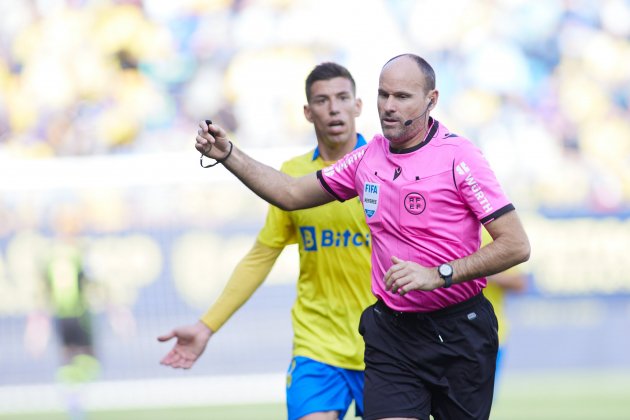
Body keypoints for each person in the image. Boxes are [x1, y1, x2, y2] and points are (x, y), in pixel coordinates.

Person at [193, 53, 531, 420]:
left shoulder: (460, 157)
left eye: (402, 97)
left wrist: (438, 274)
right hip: (392, 333)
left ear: (431, 100)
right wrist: (228, 154)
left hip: (458, 331)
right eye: (383, 95)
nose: (388, 106)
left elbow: (515, 244)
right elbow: (289, 193)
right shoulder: (367, 159)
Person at [158, 62, 374, 420]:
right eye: (322, 100)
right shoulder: (292, 175)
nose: (334, 108)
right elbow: (261, 256)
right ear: (307, 112)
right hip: (317, 345)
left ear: (358, 106)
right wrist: (206, 325)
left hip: (382, 347)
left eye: (342, 98)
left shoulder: (386, 169)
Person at [481, 228, 528, 391]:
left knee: (477, 404)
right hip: (444, 330)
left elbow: (519, 282)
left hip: (490, 332)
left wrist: (471, 270)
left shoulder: (487, 232)